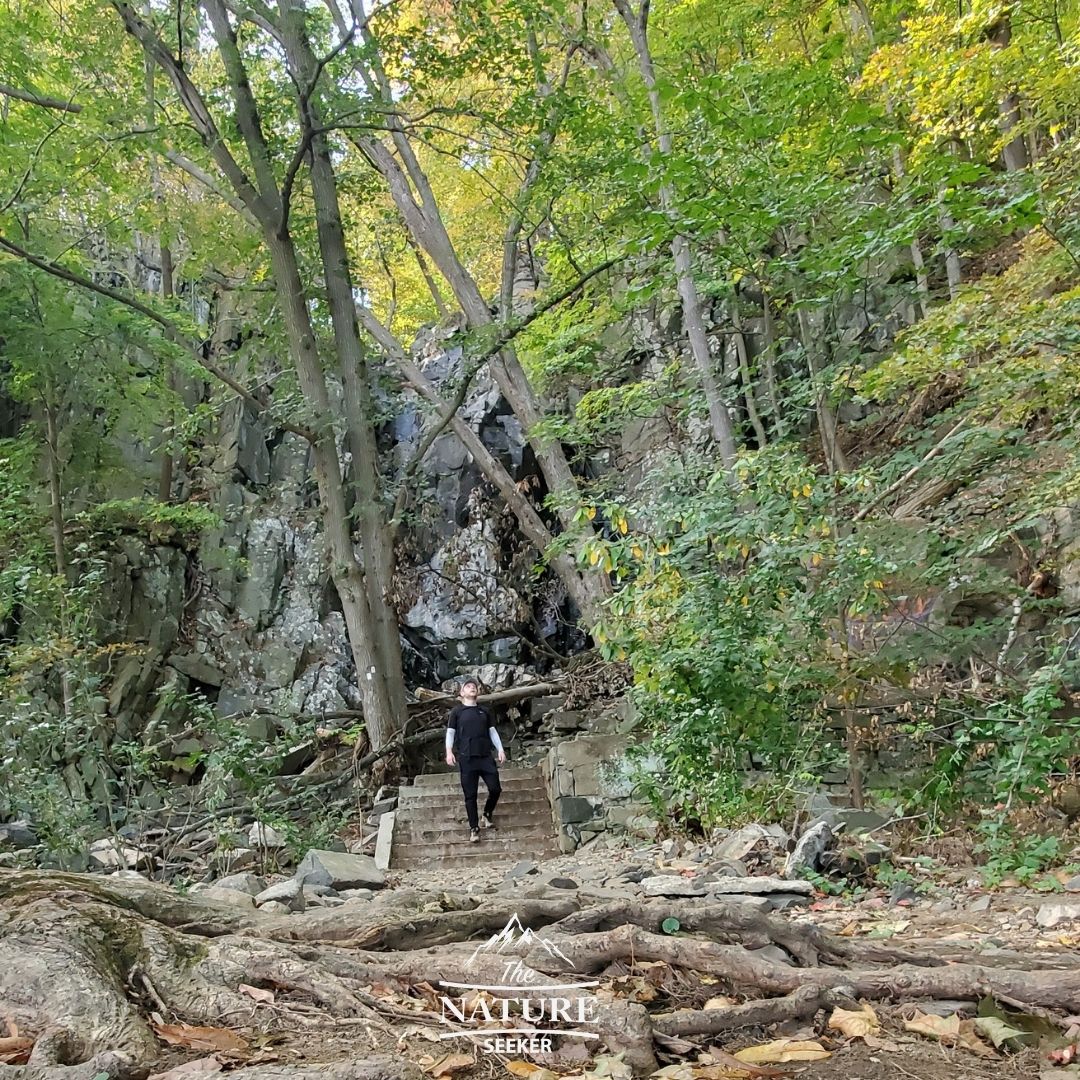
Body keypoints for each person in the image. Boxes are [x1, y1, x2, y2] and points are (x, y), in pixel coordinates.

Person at [445, 677, 505, 843]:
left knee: (496, 788)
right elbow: (450, 732)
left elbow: (492, 732)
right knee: (470, 795)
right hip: (467, 758)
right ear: (461, 693)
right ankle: (474, 828)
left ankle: (487, 813)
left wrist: (500, 749)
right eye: (468, 686)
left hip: (485, 756)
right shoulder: (457, 712)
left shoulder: (485, 711)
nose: (472, 687)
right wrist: (449, 751)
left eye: (474, 686)